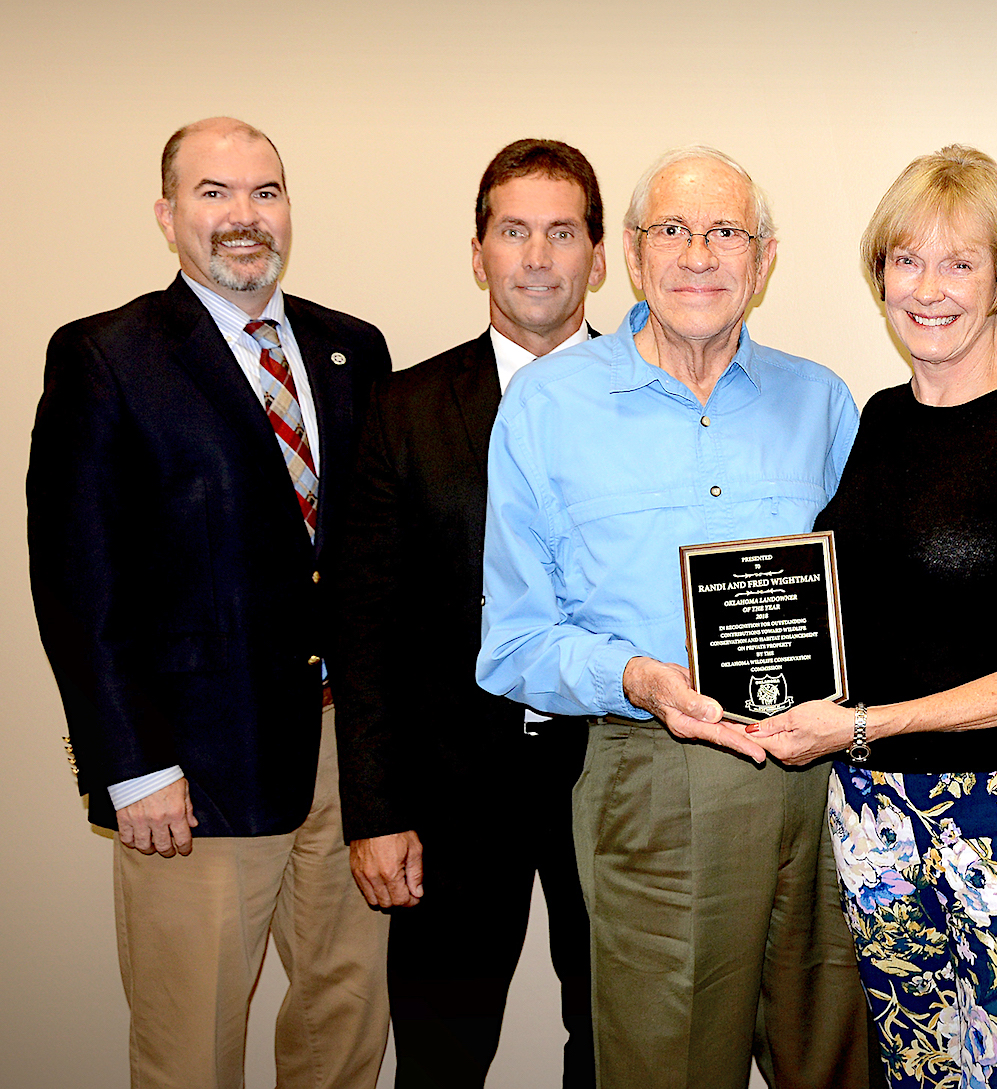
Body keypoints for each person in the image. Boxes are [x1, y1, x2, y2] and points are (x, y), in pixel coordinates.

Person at [475, 145, 870, 1089]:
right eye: (674, 231)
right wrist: (641, 678)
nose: (700, 253)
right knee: (670, 1066)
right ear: (636, 258)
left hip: (822, 777)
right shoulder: (546, 406)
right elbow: (515, 640)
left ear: (765, 259)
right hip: (655, 773)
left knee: (841, 1061)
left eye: (726, 231)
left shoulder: (823, 401)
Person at [27, 117, 391, 1089]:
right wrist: (131, 767)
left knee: (344, 1034)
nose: (244, 217)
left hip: (344, 759)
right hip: (196, 773)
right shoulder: (108, 357)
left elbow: (369, 561)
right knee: (191, 1050)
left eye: (265, 193)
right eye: (214, 193)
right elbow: (76, 581)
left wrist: (385, 754)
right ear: (166, 214)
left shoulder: (352, 350)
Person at [752, 144, 997, 1089]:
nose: (929, 288)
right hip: (878, 815)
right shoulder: (878, 419)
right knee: (913, 1071)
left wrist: (868, 725)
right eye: (906, 259)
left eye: (960, 262)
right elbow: (835, 608)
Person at [334, 138, 605, 1088]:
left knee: (616, 1050)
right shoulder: (402, 408)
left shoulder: (651, 401)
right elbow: (361, 625)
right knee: (441, 1058)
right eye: (514, 231)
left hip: (609, 782)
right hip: (448, 799)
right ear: (479, 251)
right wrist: (375, 810)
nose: (537, 256)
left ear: (598, 258)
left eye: (562, 232)